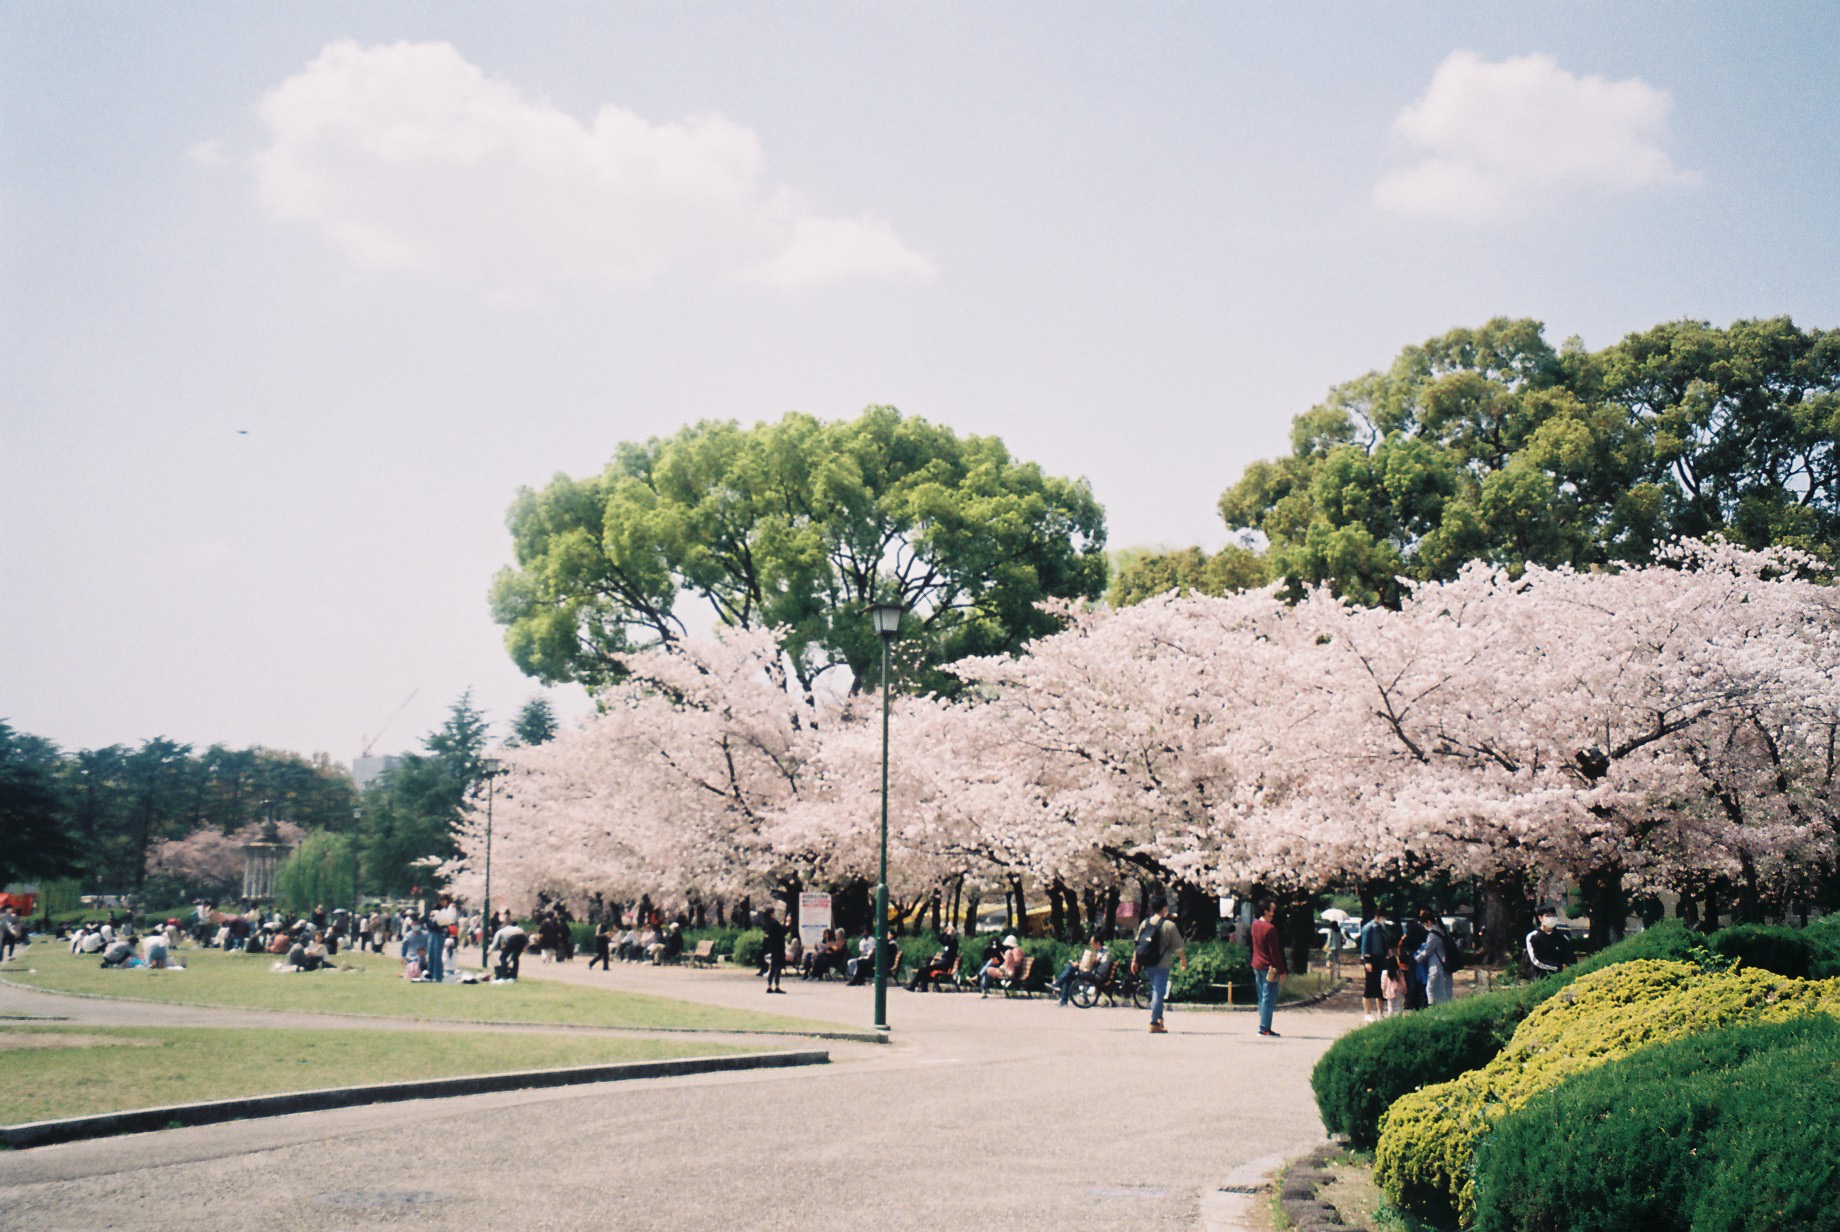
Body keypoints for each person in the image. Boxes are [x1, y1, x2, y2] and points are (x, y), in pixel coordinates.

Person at [1133, 895, 1187, 1032]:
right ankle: (1154, 1023)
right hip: (1162, 964)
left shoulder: (1145, 923)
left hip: (1147, 963)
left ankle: (1159, 1019)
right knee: (1158, 992)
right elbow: (1179, 947)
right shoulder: (1169, 925)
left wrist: (1135, 961)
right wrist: (1183, 961)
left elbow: (1137, 943)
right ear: (1164, 908)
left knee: (1156, 990)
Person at [1249, 898, 1287, 1037]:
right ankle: (1264, 1028)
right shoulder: (1270, 928)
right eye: (1272, 910)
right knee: (1268, 998)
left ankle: (1263, 1025)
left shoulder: (1255, 924)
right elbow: (1274, 952)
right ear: (1266, 911)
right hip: (1268, 966)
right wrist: (1281, 970)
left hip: (1256, 964)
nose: (1273, 913)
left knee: (1261, 996)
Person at [1358, 905, 1392, 1023]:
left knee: (1381, 987)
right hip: (1372, 959)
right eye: (1384, 917)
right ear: (1378, 916)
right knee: (1369, 986)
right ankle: (1367, 1013)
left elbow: (1385, 943)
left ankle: (1381, 1013)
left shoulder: (1382, 928)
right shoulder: (1369, 927)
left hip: (1381, 959)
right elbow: (1364, 945)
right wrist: (1367, 961)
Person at [1415, 908, 1453, 1005]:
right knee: (1445, 989)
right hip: (1445, 962)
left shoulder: (1433, 934)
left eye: (1424, 924)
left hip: (1437, 964)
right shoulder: (1442, 930)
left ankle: (1434, 1010)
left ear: (1428, 922)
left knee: (1431, 989)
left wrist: (1417, 959)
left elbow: (1428, 950)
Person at [1524, 906, 1575, 977]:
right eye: (1547, 916)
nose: (1551, 918)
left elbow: (1571, 957)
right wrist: (1558, 967)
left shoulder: (1562, 937)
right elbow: (1536, 960)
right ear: (1540, 918)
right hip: (1542, 978)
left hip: (1562, 977)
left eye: (1553, 915)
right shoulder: (1533, 937)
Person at [1055, 935, 1105, 1005]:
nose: (1091, 946)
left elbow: (1093, 963)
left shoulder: (1102, 952)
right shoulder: (1100, 951)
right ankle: (1062, 998)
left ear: (1098, 943)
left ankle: (1057, 984)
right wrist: (1080, 964)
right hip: (1090, 972)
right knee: (1069, 972)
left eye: (1092, 944)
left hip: (1091, 975)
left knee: (1070, 968)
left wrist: (1080, 964)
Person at [908, 928, 958, 992]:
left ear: (952, 933)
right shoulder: (948, 943)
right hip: (941, 964)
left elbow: (948, 941)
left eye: (949, 932)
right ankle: (915, 987)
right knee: (922, 970)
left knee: (925, 969)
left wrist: (949, 934)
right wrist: (944, 932)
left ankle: (922, 988)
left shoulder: (954, 942)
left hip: (946, 966)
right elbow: (939, 939)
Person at [759, 907, 787, 994]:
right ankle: (777, 986)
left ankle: (769, 985)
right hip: (779, 947)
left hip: (772, 947)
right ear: (771, 914)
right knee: (778, 967)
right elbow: (783, 931)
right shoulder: (774, 922)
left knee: (773, 967)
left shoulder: (767, 923)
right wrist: (787, 924)